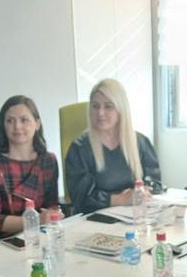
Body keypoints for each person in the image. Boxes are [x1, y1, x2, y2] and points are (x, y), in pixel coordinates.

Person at [0, 95, 60, 245]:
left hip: (37, 235)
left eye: (24, 120)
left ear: (37, 124)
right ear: (3, 126)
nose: (17, 126)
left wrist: (53, 214)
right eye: (10, 121)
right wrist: (36, 220)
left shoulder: (48, 160)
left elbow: (51, 204)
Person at [65, 78, 161, 214]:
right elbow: (81, 198)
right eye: (95, 106)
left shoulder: (140, 142)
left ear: (121, 109)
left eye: (108, 106)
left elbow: (154, 184)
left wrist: (141, 193)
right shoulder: (79, 149)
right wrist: (121, 199)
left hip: (135, 215)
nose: (100, 113)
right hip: (94, 220)